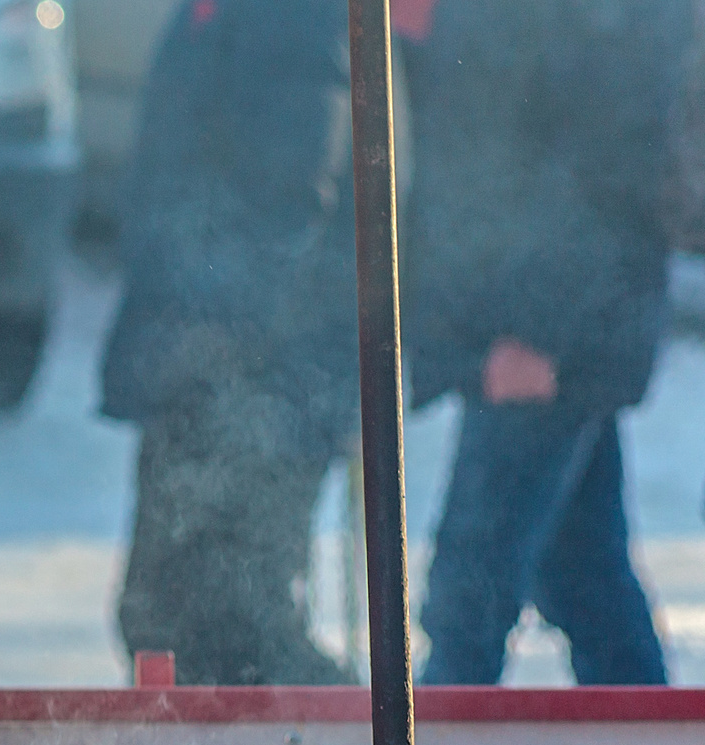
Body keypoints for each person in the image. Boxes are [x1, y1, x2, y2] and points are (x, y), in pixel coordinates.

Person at [405, 0, 691, 687]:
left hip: (535, 337)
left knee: (468, 593)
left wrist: (544, 335)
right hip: (519, 327)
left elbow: (608, 155)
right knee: (588, 583)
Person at [99, 0, 371, 687]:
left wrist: (215, 335)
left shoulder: (293, 14)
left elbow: (291, 192)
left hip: (260, 384)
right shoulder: (208, 10)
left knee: (242, 631)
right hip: (193, 371)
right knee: (157, 619)